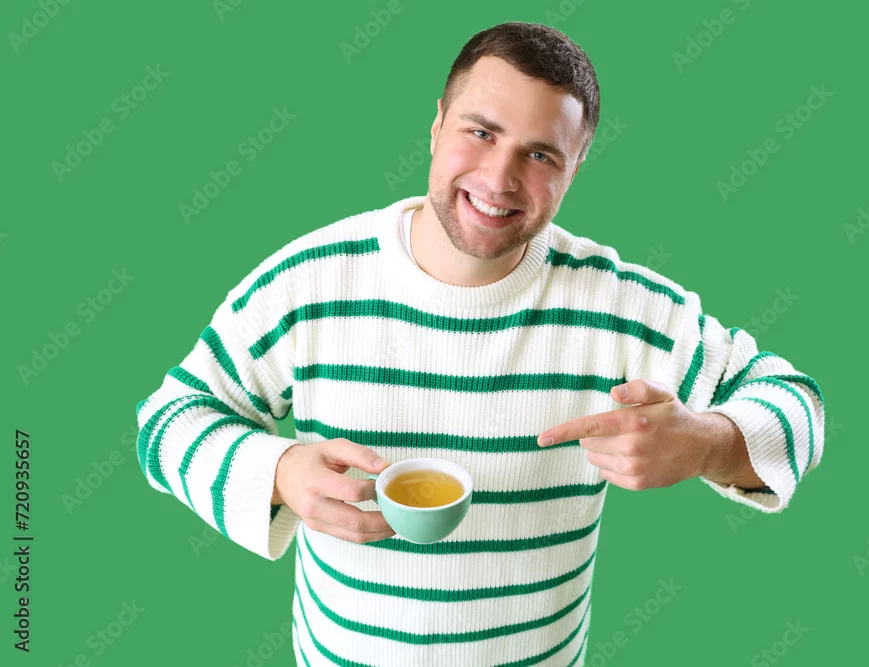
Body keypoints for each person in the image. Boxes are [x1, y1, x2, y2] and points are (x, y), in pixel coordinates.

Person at [135, 21, 825, 666]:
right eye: (481, 132)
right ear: (437, 123)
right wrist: (281, 469)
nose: (499, 179)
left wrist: (705, 442)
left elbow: (797, 404)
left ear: (576, 167)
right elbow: (168, 420)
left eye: (540, 154)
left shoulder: (620, 304)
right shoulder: (309, 280)